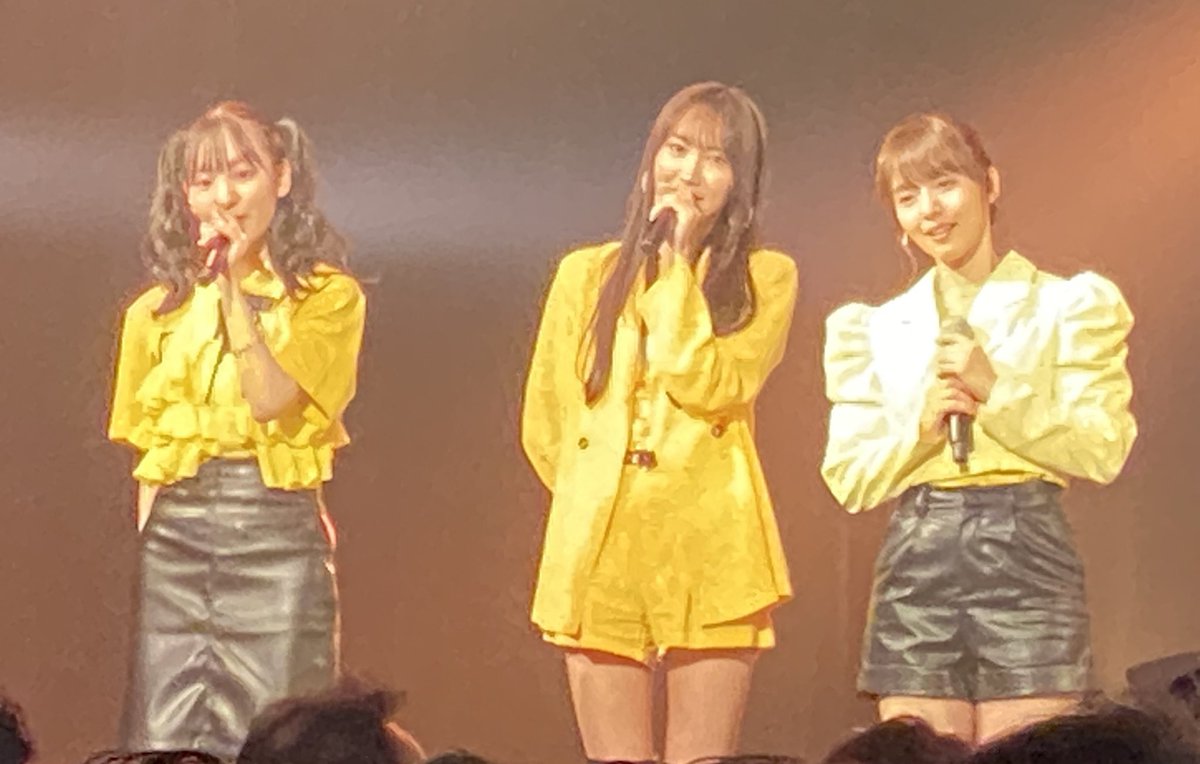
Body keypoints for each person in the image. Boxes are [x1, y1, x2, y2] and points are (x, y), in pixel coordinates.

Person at [820, 112, 1137, 744]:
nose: (930, 210)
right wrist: (920, 432)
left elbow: (1103, 447)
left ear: (989, 184)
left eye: (945, 185)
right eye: (908, 197)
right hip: (918, 550)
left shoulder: (1066, 305)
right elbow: (849, 479)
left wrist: (997, 391)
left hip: (1027, 549)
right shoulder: (873, 328)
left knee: (1027, 753)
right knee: (920, 753)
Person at [521, 81, 798, 764]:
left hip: (711, 541)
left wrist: (677, 264)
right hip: (600, 543)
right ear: (651, 158)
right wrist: (593, 494)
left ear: (741, 181)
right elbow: (547, 423)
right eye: (677, 149)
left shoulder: (766, 277)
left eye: (716, 159)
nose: (689, 173)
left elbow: (712, 384)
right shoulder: (584, 274)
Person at [108, 101, 366, 759]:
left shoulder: (326, 298)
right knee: (162, 736)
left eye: (242, 174)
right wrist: (153, 545)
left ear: (282, 177)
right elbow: (149, 455)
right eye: (204, 181)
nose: (223, 197)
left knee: (278, 734)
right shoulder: (153, 313)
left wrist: (230, 292)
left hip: (274, 534)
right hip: (175, 544)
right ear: (185, 195)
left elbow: (270, 399)